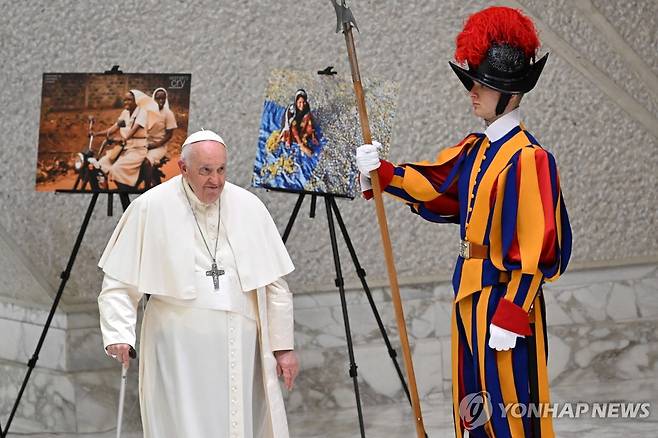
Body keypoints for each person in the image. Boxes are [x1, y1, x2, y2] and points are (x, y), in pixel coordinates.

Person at [356, 7, 572, 438]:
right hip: (470, 292)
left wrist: (513, 311)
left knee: (510, 408)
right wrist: (384, 172)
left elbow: (538, 243)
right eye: (474, 81)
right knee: (475, 409)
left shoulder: (529, 158)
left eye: (483, 84)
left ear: (510, 94)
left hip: (505, 299)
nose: (473, 91)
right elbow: (438, 187)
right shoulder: (478, 149)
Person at [98, 129, 299, 438]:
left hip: (237, 345)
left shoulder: (249, 206)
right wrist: (119, 334)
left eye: (221, 170)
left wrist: (283, 348)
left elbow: (274, 285)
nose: (215, 180)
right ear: (183, 168)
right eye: (205, 170)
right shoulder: (150, 207)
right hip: (177, 347)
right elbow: (119, 282)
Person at [93, 90, 157, 189]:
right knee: (101, 164)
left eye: (129, 100)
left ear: (136, 101)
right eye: (125, 100)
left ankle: (126, 190)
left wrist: (124, 138)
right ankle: (105, 190)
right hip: (124, 148)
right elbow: (113, 128)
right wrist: (96, 134)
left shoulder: (142, 112)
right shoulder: (124, 113)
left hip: (137, 149)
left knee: (116, 169)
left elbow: (134, 129)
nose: (126, 102)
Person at [146, 87, 177, 166]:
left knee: (146, 162)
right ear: (154, 99)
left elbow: (169, 135)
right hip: (145, 144)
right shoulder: (148, 112)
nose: (161, 101)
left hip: (159, 146)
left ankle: (149, 179)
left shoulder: (168, 114)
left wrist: (155, 145)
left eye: (163, 98)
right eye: (158, 98)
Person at [290, 89, 318, 156]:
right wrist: (301, 145)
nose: (302, 105)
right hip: (292, 128)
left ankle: (303, 137)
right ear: (296, 102)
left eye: (303, 102)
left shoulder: (306, 107)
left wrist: (313, 136)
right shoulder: (292, 111)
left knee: (309, 119)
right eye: (299, 102)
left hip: (300, 125)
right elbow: (293, 128)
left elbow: (309, 120)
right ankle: (301, 143)